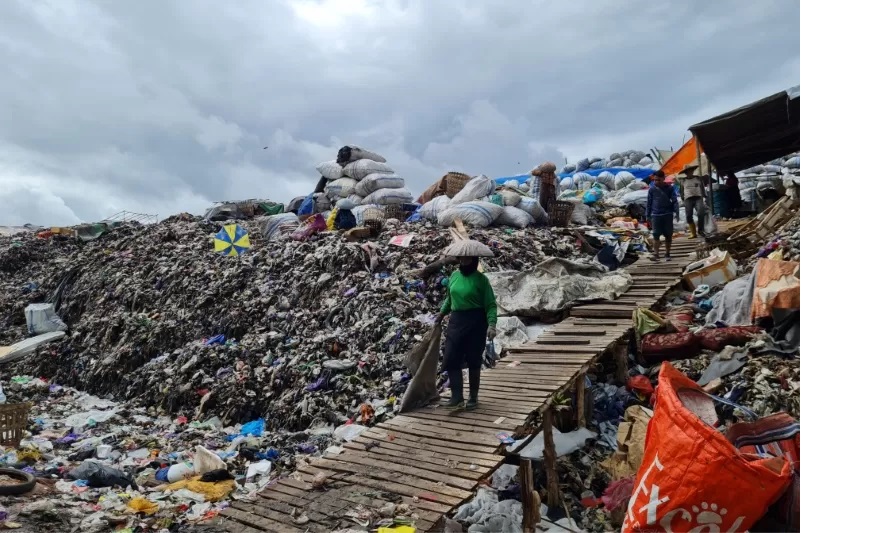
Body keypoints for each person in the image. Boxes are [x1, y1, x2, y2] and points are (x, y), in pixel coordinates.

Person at [435, 255, 498, 410]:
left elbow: (490, 304)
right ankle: (457, 397)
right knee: (451, 358)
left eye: (467, 260)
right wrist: (441, 315)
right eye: (461, 260)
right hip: (456, 321)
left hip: (476, 322)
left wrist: (492, 324)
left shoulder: (481, 280)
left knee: (473, 359)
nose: (463, 262)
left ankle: (473, 397)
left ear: (474, 260)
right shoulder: (454, 276)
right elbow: (449, 300)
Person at [645, 170, 679, 262]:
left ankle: (667, 253)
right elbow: (649, 203)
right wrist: (647, 216)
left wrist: (677, 212)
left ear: (663, 179)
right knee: (656, 235)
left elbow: (674, 200)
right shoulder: (652, 189)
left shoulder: (670, 188)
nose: (656, 182)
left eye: (659, 180)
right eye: (655, 180)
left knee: (668, 235)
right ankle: (656, 254)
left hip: (667, 214)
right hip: (655, 215)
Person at [678, 163, 707, 239]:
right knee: (688, 216)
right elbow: (681, 191)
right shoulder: (683, 180)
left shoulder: (698, 178)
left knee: (701, 213)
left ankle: (701, 230)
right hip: (688, 199)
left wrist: (704, 196)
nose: (690, 172)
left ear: (693, 171)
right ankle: (693, 233)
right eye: (687, 171)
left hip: (698, 197)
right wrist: (683, 199)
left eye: (691, 170)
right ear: (685, 173)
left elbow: (702, 188)